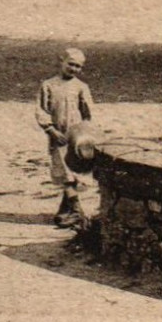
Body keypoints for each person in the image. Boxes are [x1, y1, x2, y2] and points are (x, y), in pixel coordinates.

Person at [36, 46, 96, 228]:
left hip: (76, 137)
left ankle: (66, 210)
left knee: (73, 173)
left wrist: (85, 133)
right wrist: (51, 130)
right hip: (58, 136)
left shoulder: (81, 87)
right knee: (65, 174)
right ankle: (77, 211)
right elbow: (42, 111)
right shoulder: (48, 85)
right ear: (61, 61)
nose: (73, 69)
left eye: (78, 67)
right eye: (70, 64)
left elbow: (88, 113)